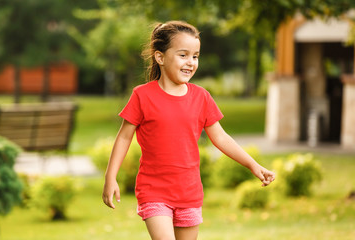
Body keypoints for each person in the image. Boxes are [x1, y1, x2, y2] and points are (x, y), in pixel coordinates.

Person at [102, 20, 275, 240]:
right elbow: (124, 137)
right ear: (160, 57)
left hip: (189, 193)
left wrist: (253, 164)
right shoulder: (142, 95)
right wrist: (111, 176)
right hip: (154, 192)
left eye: (195, 56)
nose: (191, 62)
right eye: (183, 55)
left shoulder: (201, 97)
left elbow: (220, 137)